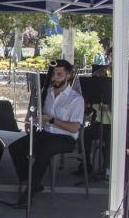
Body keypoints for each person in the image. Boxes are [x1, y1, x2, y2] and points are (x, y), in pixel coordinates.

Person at [9, 59, 85, 207]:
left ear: (68, 76)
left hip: (65, 137)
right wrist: (30, 119)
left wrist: (52, 120)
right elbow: (36, 112)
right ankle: (32, 182)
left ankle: (29, 193)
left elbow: (74, 128)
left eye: (59, 74)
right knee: (15, 148)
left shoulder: (76, 99)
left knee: (43, 151)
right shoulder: (46, 93)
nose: (54, 78)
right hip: (45, 133)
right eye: (53, 74)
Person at [80, 62, 129, 175]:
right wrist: (106, 67)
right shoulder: (110, 87)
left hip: (124, 126)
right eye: (116, 72)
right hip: (105, 122)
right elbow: (94, 78)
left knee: (111, 136)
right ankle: (85, 165)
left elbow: (128, 108)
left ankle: (108, 169)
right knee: (86, 134)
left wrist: (108, 107)